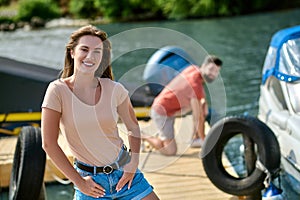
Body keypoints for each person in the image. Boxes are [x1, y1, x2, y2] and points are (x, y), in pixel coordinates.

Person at [41, 25, 159, 200]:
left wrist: (133, 163)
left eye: (97, 51)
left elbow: (133, 128)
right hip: (90, 184)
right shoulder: (57, 90)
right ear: (72, 52)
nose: (90, 56)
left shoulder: (115, 89)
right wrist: (79, 182)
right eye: (84, 49)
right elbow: (49, 144)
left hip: (126, 176)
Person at [143, 55, 222, 156]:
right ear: (203, 65)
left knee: (201, 106)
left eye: (216, 71)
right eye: (211, 69)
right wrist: (204, 141)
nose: (213, 74)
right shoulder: (195, 85)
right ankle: (143, 136)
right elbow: (198, 117)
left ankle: (195, 138)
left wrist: (204, 105)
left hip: (171, 108)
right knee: (170, 151)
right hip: (161, 112)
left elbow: (199, 99)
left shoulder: (193, 68)